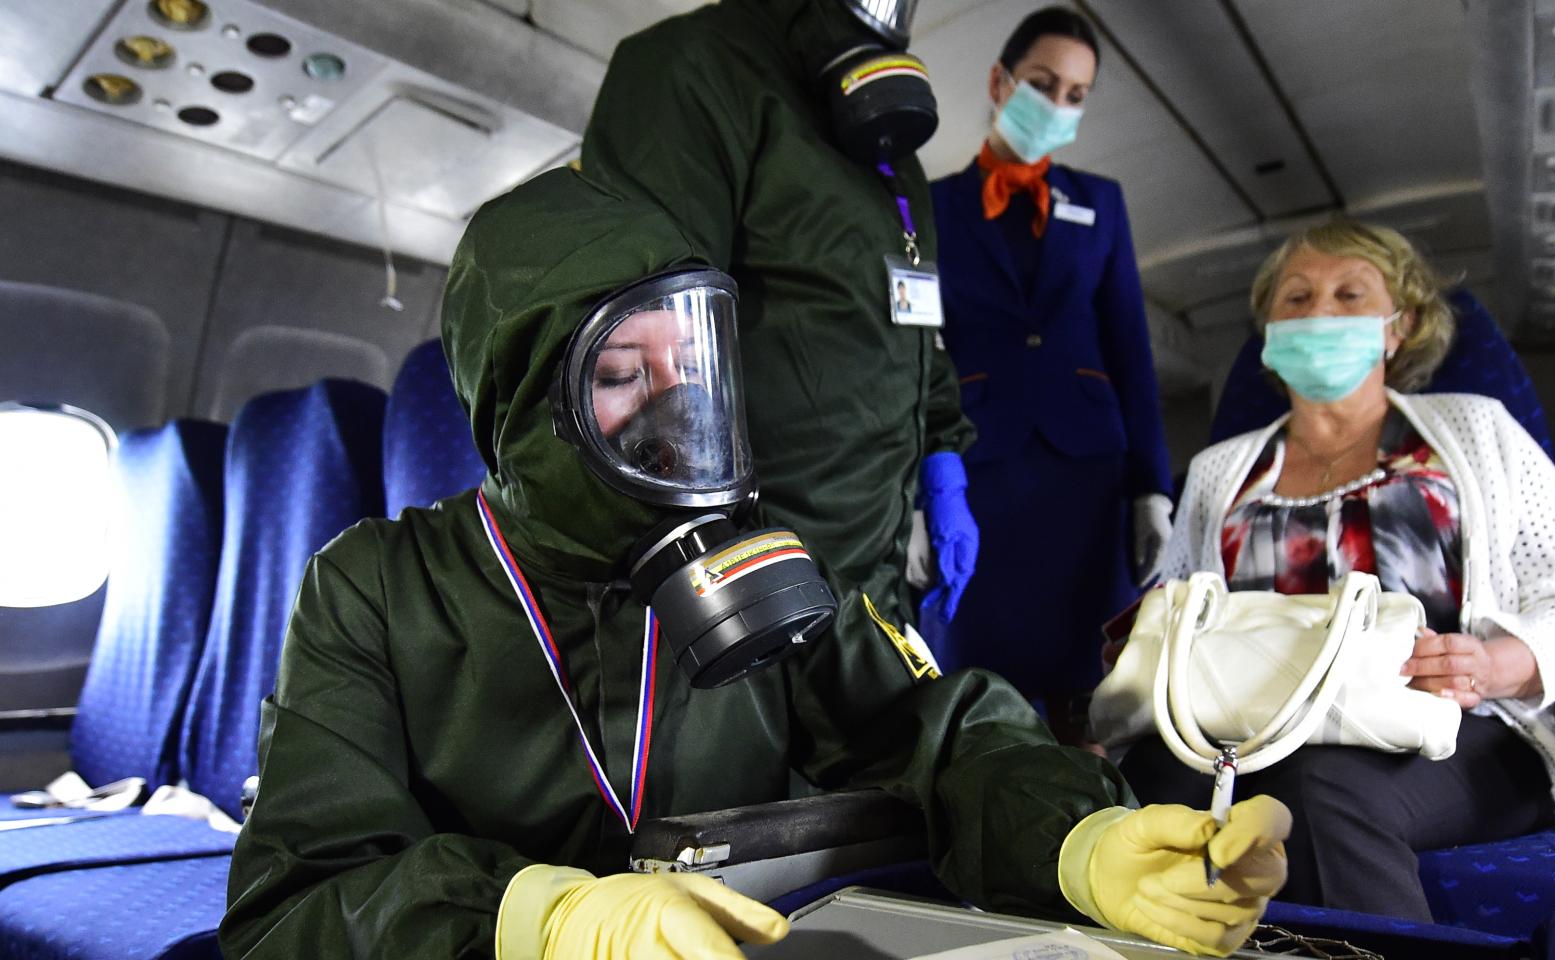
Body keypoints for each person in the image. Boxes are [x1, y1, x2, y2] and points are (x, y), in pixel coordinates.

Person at [218, 171, 1291, 960]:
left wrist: (1079, 839)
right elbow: (294, 902)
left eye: (693, 363)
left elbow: (936, 734)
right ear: (520, 406)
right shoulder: (373, 587)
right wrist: (538, 920)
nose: (674, 407)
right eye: (622, 373)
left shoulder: (762, 556)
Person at [1112, 219, 1555, 920]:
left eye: (1350, 294)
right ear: (1268, 330)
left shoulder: (1477, 431)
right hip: (1254, 724)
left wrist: (1491, 664)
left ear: (1398, 328)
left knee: (1323, 786)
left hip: (1457, 731)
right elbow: (1175, 611)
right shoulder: (1218, 473)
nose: (1319, 311)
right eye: (1295, 298)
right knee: (1139, 785)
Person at [579, 0, 979, 645]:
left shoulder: (891, 155)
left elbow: (914, 328)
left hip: (876, 565)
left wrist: (941, 460)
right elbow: (641, 348)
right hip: (760, 570)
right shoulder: (693, 69)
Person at [928, 8, 1171, 738]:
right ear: (1002, 82)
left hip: (1089, 472)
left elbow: (1130, 343)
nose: (1059, 104)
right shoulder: (931, 207)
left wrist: (1152, 486)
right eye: (1044, 84)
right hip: (981, 469)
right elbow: (919, 353)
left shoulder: (1101, 200)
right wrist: (920, 486)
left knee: (1089, 677)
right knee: (985, 668)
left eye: (1075, 93)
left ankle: (1094, 826)